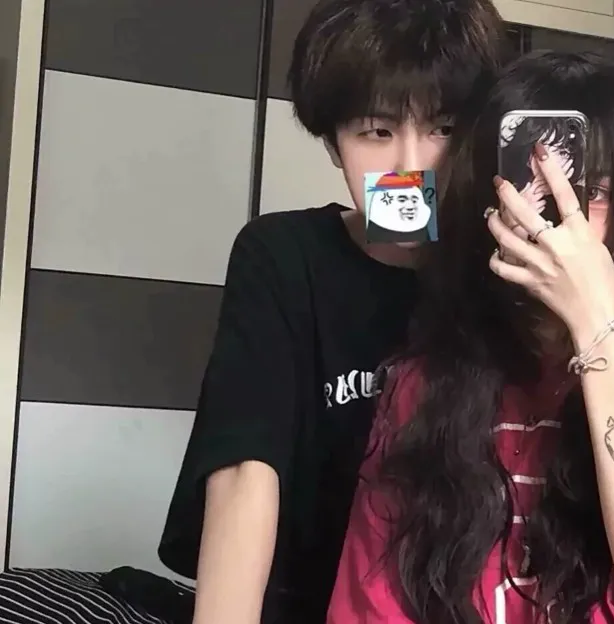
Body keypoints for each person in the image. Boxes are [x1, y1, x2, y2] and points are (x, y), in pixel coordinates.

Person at [327, 50, 614, 623]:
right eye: (524, 185)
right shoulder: (420, 386)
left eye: (592, 191)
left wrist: (597, 326)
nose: (548, 218)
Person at [157, 1, 508, 623]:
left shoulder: (508, 274)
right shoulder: (283, 255)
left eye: (444, 128)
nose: (411, 166)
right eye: (376, 132)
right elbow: (245, 467)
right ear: (331, 142)